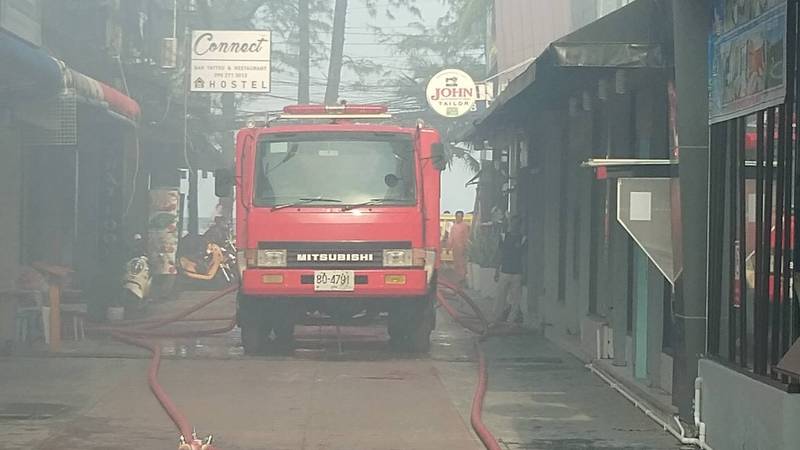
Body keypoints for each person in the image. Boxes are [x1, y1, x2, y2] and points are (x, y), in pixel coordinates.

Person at [492, 215, 527, 326]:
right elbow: (500, 254)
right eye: (513, 223)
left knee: (516, 299)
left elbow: (524, 258)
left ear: (519, 225)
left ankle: (510, 321)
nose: (514, 226)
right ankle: (496, 319)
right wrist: (497, 270)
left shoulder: (523, 239)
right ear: (510, 224)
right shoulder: (503, 237)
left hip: (517, 273)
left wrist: (525, 273)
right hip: (504, 271)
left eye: (517, 224)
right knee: (500, 297)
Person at [447, 210, 470, 285]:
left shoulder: (465, 226)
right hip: (455, 248)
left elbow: (466, 237)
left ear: (462, 217)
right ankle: (457, 280)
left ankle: (463, 279)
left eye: (460, 216)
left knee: (462, 264)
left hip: (462, 248)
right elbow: (451, 238)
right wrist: (448, 248)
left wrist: (466, 247)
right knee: (456, 264)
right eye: (457, 216)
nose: (458, 218)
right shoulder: (453, 227)